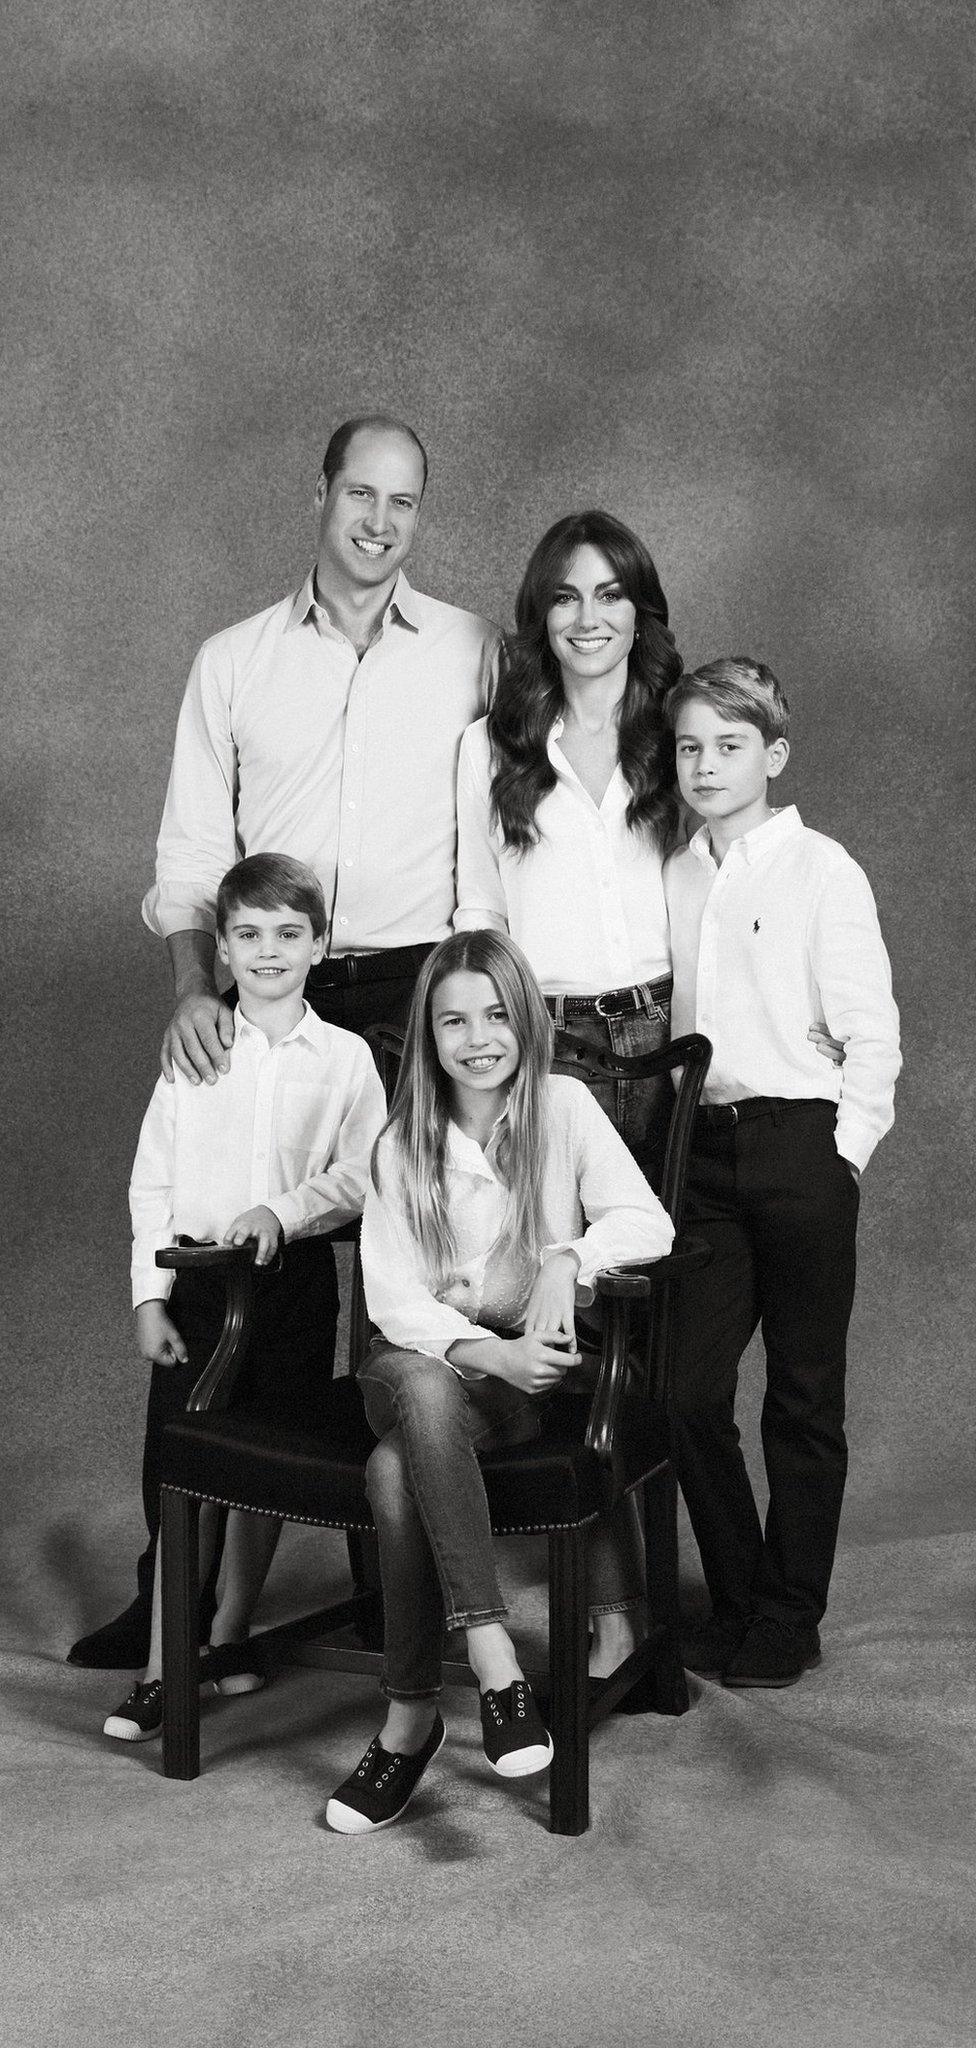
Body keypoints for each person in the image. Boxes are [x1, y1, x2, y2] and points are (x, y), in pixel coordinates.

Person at [69, 414, 498, 1669]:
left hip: (417, 1000)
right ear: (319, 496)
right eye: (359, 494)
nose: (378, 521)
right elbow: (193, 854)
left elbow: (507, 828)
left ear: (421, 515)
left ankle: (396, 1579)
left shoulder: (473, 651)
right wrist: (198, 986)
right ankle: (176, 1598)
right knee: (222, 1270)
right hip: (267, 992)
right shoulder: (235, 661)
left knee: (403, 1286)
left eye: (403, 502)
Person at [324, 930, 675, 1834]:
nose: (477, 1037)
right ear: (429, 1033)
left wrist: (568, 1256)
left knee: (393, 1473)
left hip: (510, 1384)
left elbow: (647, 1220)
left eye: (494, 1015)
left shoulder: (562, 1107)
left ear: (523, 1020)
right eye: (452, 1020)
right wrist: (495, 1356)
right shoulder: (403, 1142)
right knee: (423, 1385)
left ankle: (408, 1723)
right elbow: (395, 1306)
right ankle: (492, 1654)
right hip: (409, 1368)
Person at [102, 854, 387, 1741]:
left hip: (294, 1284)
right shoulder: (196, 1046)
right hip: (199, 1289)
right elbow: (152, 1184)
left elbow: (361, 1174)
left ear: (319, 944)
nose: (269, 951)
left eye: (289, 934)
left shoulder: (345, 1059)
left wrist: (287, 1211)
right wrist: (150, 1296)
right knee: (182, 1472)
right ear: (221, 947)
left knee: (265, 1466)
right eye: (250, 934)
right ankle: (163, 1665)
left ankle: (227, 1638)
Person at [663, 660, 901, 1689]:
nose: (705, 765)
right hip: (702, 1153)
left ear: (772, 754)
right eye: (687, 746)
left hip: (802, 1145)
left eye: (727, 745)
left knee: (801, 1401)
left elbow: (873, 1037)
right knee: (681, 1393)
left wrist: (837, 1161)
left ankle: (788, 1613)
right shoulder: (671, 873)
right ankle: (738, 1591)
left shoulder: (821, 868)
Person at [455, 510, 682, 1183]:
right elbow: (480, 910)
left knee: (665, 1263)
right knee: (558, 1265)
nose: (588, 618)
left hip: (673, 1031)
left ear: (640, 614)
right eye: (566, 596)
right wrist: (488, 1034)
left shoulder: (681, 735)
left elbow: (735, 885)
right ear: (541, 615)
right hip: (546, 1041)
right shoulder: (489, 748)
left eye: (610, 595)